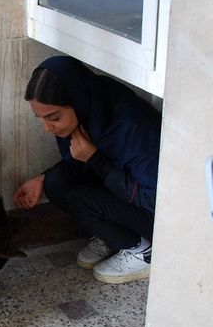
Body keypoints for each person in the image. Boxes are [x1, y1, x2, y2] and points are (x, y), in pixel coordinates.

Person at [13, 56, 161, 284]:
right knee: (56, 181)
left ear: (77, 99)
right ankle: (113, 237)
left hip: (160, 215)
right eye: (40, 118)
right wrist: (41, 177)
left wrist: (95, 159)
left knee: (83, 199)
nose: (46, 128)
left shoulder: (131, 125)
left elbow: (154, 201)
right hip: (123, 189)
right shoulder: (88, 111)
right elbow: (78, 160)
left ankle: (144, 251)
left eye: (53, 117)